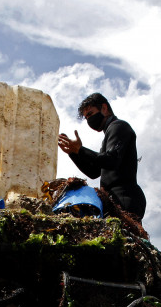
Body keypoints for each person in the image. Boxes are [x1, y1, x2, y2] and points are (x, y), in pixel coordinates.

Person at [57, 93, 146, 221]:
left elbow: (111, 160)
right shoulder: (109, 133)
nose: (89, 120)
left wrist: (80, 150)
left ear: (104, 108)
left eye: (90, 114)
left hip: (125, 195)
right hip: (112, 199)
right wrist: (74, 153)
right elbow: (94, 172)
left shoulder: (119, 127)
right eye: (86, 117)